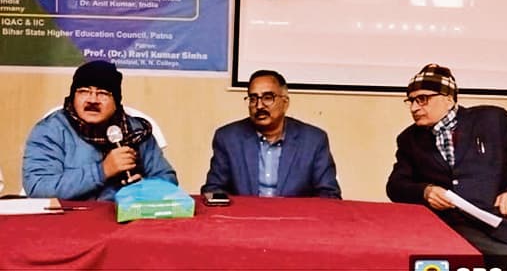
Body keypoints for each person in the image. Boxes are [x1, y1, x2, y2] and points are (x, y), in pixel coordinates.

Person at [386, 64, 507, 269]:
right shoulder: (409, 139)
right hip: (440, 227)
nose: (414, 108)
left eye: (422, 99)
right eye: (411, 100)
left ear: (448, 98)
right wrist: (425, 191)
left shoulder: (491, 120)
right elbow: (395, 186)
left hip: (494, 228)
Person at [22, 60, 177, 201]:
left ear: (116, 102)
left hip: (124, 217)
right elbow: (38, 188)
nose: (92, 100)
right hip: (67, 219)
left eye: (103, 93)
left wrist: (146, 188)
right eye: (84, 91)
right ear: (73, 96)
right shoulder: (50, 131)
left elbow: (168, 180)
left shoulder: (136, 131)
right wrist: (102, 171)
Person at [201, 69, 341, 198]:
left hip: (295, 217)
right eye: (253, 98)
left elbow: (329, 196)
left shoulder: (313, 141)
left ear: (285, 103)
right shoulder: (228, 138)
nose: (259, 106)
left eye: (268, 97)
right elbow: (213, 190)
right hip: (245, 216)